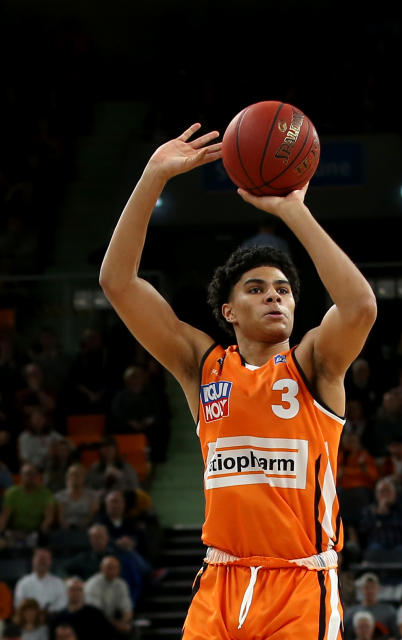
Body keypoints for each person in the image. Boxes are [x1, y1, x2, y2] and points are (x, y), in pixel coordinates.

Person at [99, 122, 377, 639]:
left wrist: (294, 211)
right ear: (228, 310)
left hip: (299, 584)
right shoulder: (203, 367)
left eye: (284, 290)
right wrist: (153, 176)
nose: (275, 296)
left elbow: (360, 306)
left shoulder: (314, 363)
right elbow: (117, 282)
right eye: (257, 288)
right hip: (219, 582)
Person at [47, 577, 114, 640]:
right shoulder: (58, 618)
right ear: (66, 592)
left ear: (84, 592)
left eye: (79, 589)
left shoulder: (95, 614)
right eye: (72, 589)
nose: (76, 593)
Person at [82, 556, 132, 637]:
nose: (112, 571)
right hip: (91, 621)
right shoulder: (92, 584)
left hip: (110, 621)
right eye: (109, 568)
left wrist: (124, 623)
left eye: (115, 568)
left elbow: (127, 609)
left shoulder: (121, 584)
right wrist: (117, 625)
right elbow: (96, 615)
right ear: (102, 568)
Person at [342, 573, 397, 640]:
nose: (370, 591)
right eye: (367, 587)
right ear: (362, 589)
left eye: (373, 587)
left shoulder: (389, 611)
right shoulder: (350, 612)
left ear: (378, 588)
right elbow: (346, 634)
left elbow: (395, 635)